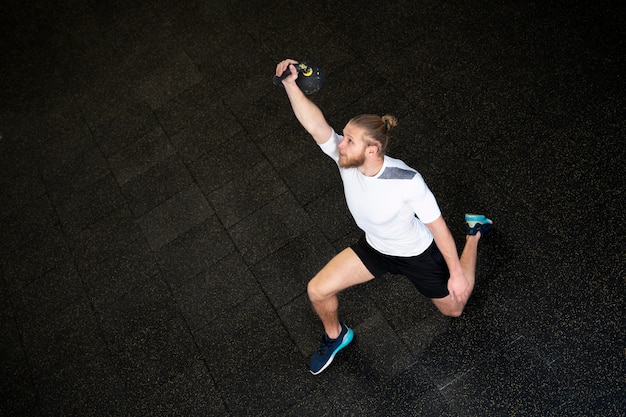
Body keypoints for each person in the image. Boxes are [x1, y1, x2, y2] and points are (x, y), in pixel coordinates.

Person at [275, 59, 493, 375]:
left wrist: (456, 272)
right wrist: (290, 84)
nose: (341, 143)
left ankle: (474, 232)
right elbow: (315, 125)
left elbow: (439, 227)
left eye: (349, 140)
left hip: (418, 255)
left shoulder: (406, 181)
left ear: (373, 150)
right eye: (344, 136)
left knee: (455, 308)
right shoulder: (346, 158)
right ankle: (336, 336)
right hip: (376, 249)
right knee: (317, 290)